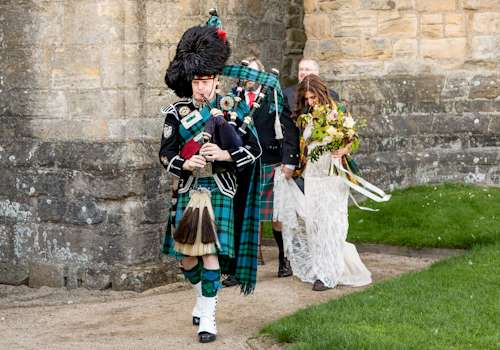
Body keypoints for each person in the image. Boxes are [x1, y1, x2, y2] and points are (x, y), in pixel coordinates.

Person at [159, 24, 262, 343]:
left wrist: (225, 154)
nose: (202, 87)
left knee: (210, 255)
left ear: (217, 80)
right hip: (190, 191)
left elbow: (254, 151)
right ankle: (202, 298)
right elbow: (165, 155)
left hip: (220, 189)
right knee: (187, 259)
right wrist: (185, 163)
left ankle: (209, 317)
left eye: (207, 81)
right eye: (197, 81)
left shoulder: (233, 111)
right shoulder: (176, 114)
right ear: (190, 81)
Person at [276, 74, 372, 291]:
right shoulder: (304, 115)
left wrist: (343, 150)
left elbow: (352, 138)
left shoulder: (337, 112)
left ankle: (329, 273)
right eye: (307, 98)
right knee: (315, 223)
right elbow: (299, 143)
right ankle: (321, 267)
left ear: (321, 93)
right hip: (312, 176)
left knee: (333, 222)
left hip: (334, 176)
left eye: (313, 97)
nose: (310, 102)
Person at [222, 57, 300, 287]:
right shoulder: (232, 98)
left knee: (277, 216)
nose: (249, 79)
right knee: (242, 216)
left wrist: (289, 161)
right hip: (243, 163)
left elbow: (289, 131)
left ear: (262, 76)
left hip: (270, 161)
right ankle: (241, 268)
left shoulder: (275, 96)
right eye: (246, 74)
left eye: (254, 74)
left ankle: (284, 260)